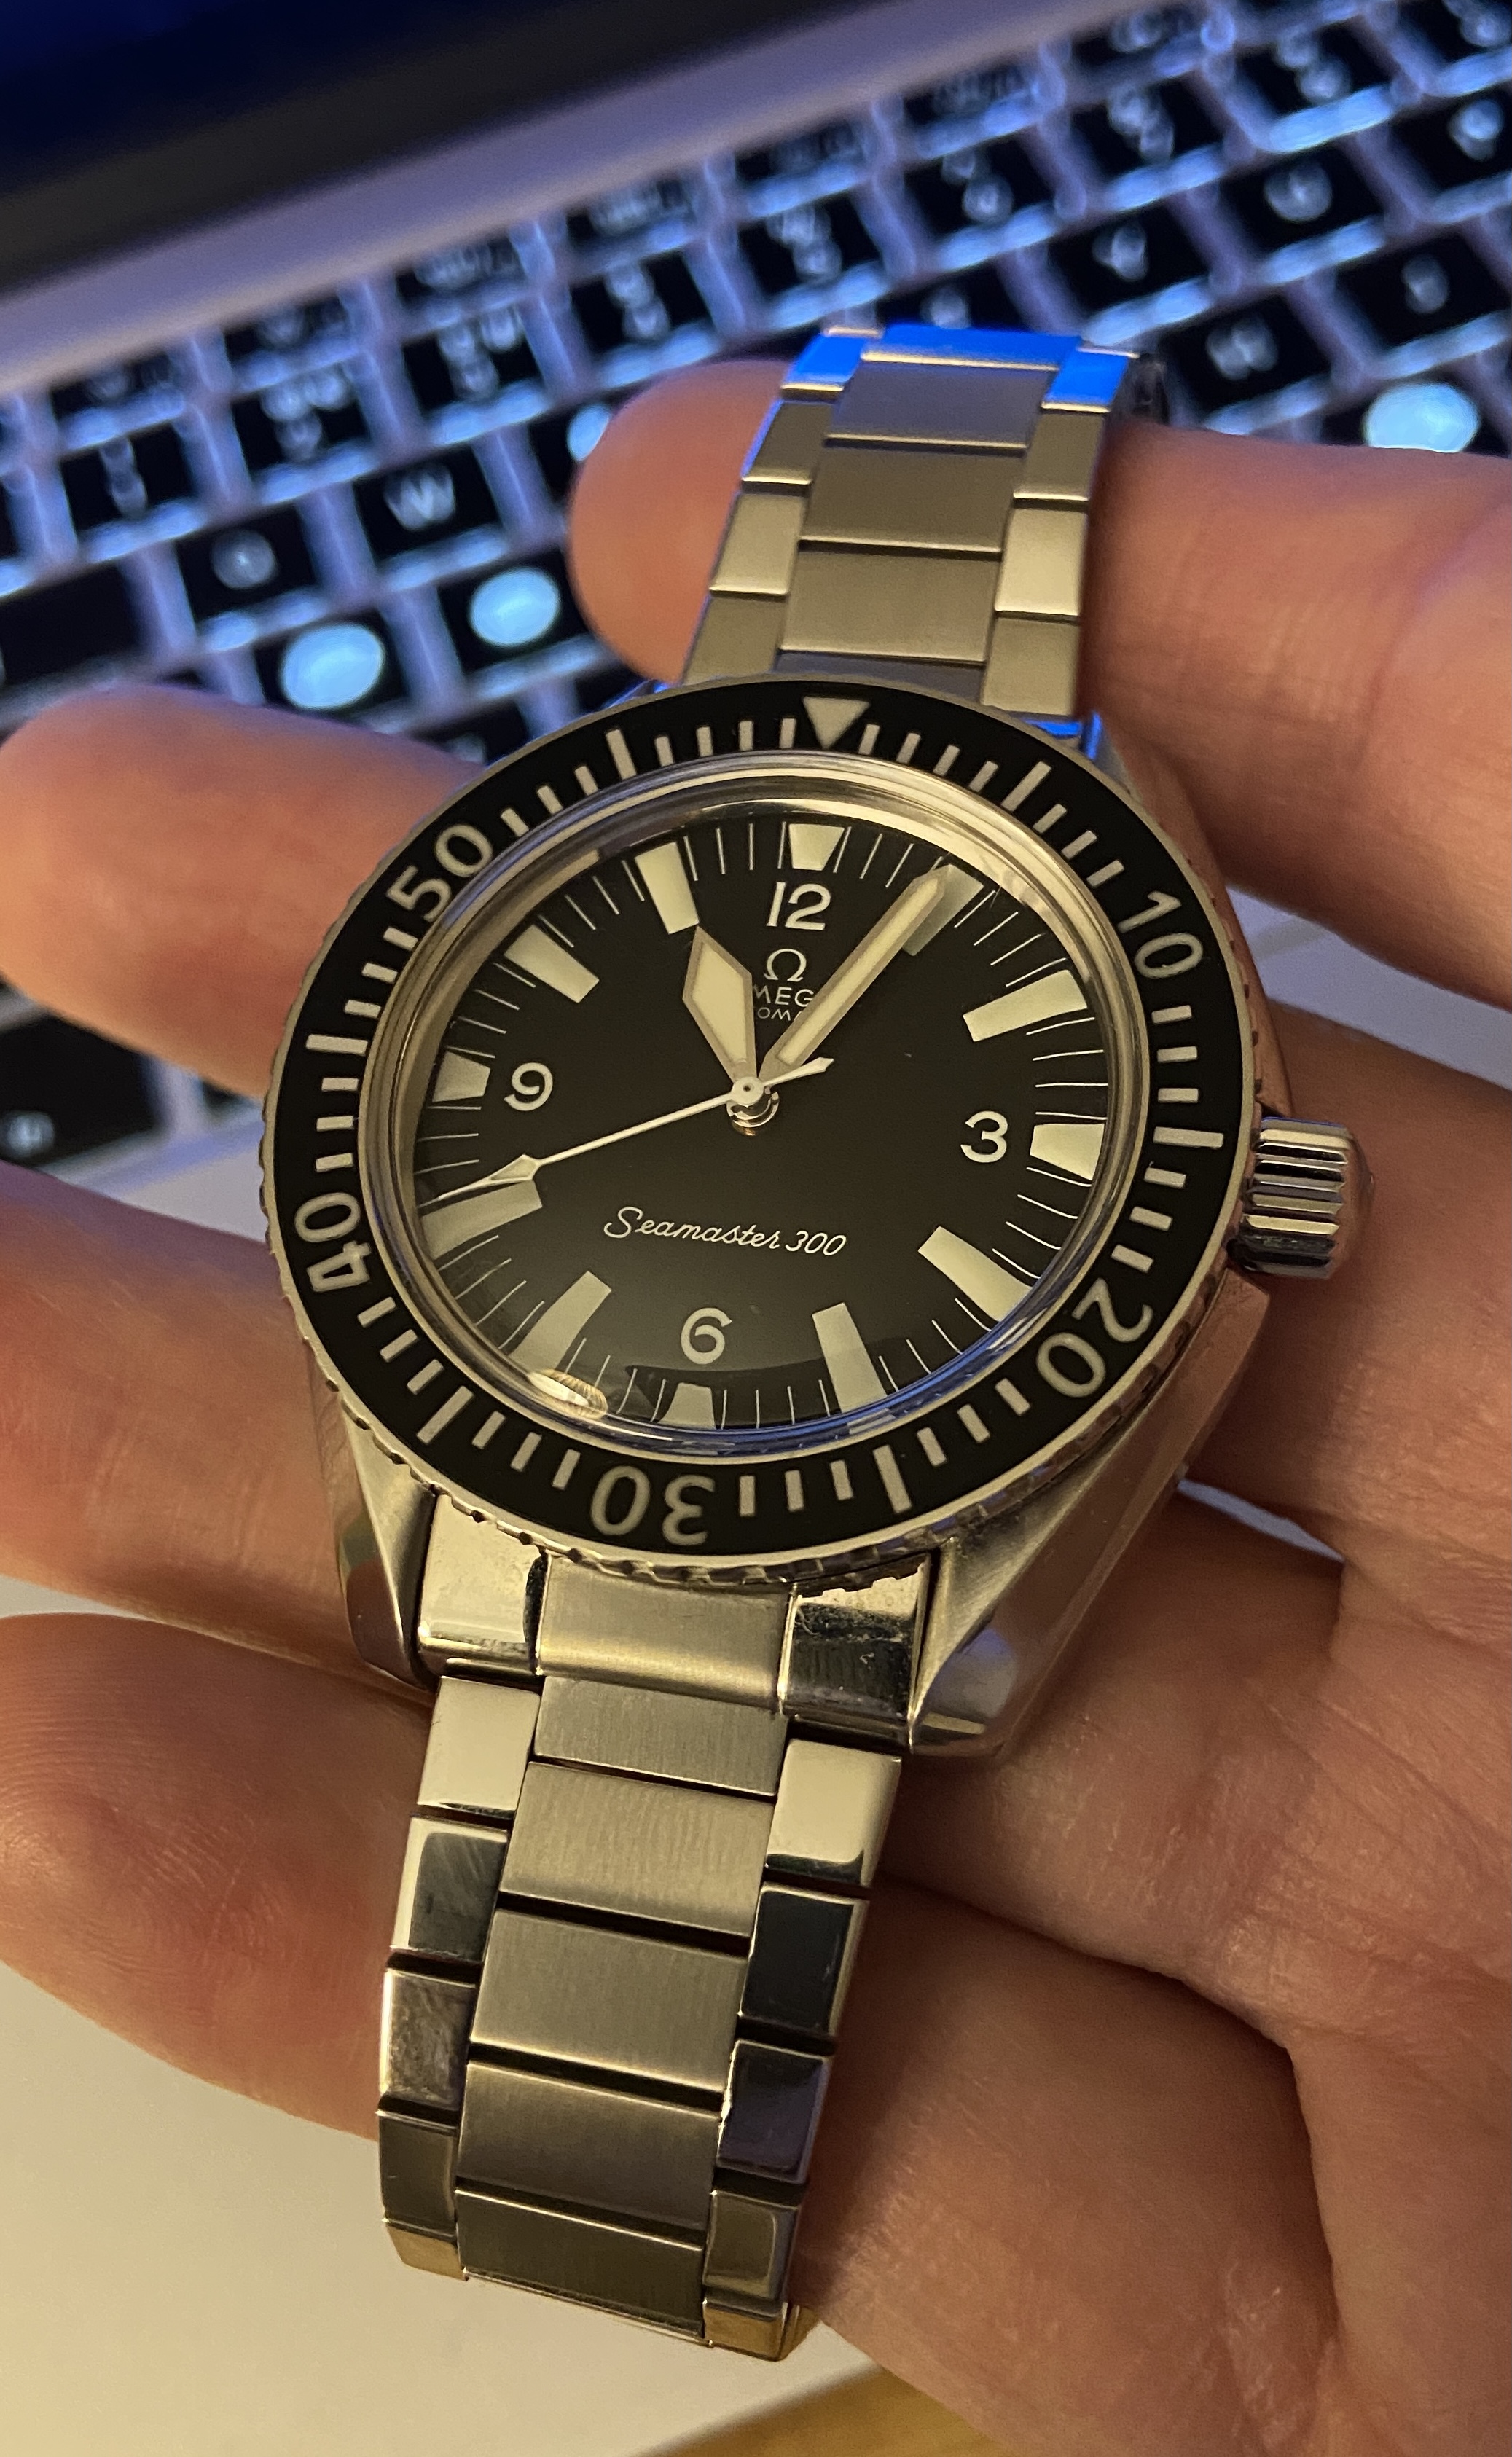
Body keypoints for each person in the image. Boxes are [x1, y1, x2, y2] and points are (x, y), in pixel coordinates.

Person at [0, 361, 1505, 2456]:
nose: (752, 1104)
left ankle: (613, 2187)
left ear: (1250, 1193)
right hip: (516, 1466)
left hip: (857, 1553)